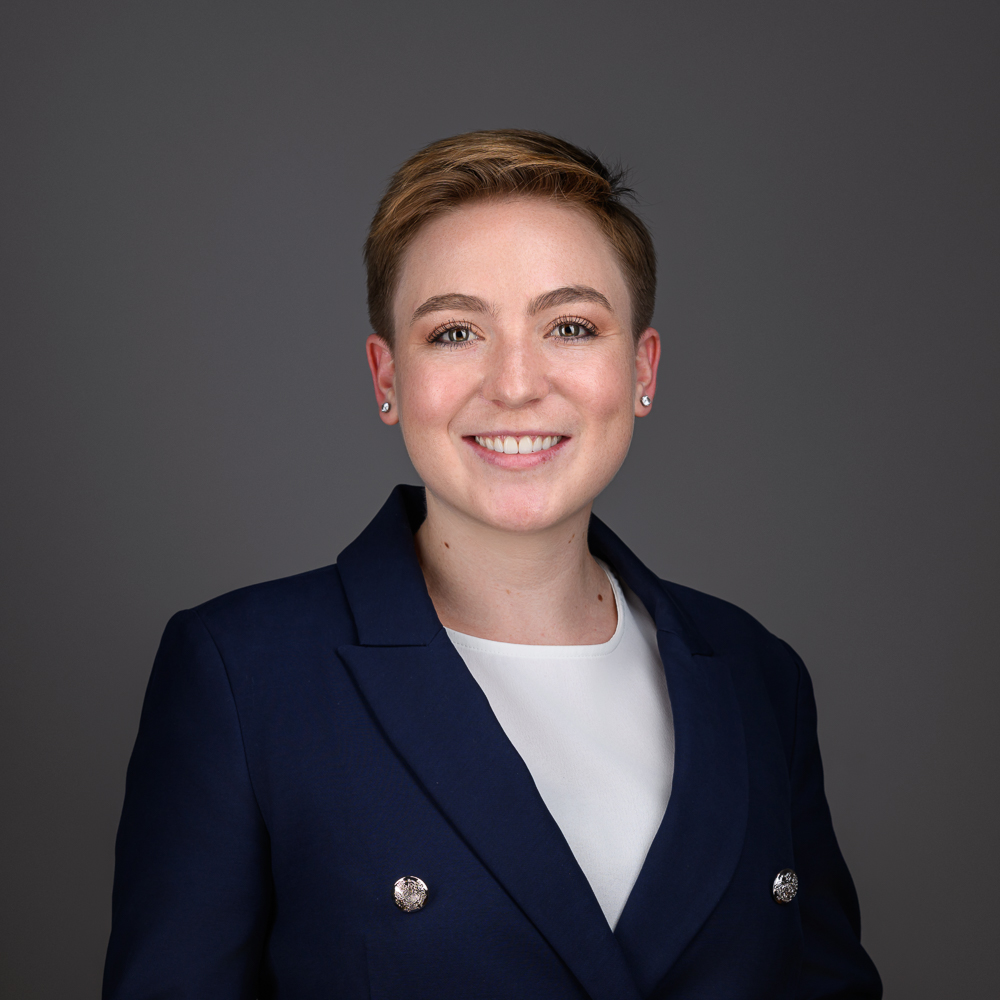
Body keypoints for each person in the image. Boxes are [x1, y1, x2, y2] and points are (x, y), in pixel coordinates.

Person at [104, 130, 882, 999]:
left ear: (641, 370)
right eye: (457, 332)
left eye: (572, 326)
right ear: (387, 375)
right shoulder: (242, 676)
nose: (515, 383)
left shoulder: (756, 675)